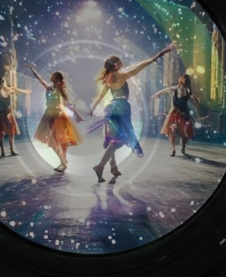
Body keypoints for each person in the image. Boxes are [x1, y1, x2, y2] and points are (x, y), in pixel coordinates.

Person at [89, 45, 173, 181]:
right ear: (116, 64)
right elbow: (140, 66)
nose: (123, 63)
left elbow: (101, 95)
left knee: (114, 139)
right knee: (119, 141)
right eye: (120, 61)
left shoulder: (108, 77)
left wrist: (93, 108)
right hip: (121, 108)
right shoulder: (121, 75)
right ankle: (100, 166)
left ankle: (112, 166)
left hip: (111, 108)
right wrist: (160, 54)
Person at [26, 64, 82, 172]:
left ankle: (63, 162)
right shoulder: (49, 88)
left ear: (59, 80)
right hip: (49, 115)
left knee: (61, 140)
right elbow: (40, 79)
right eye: (53, 78)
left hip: (59, 116)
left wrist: (78, 116)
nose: (53, 79)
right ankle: (63, 161)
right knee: (55, 141)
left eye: (55, 78)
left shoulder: (62, 91)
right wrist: (32, 69)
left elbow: (69, 104)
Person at [153, 73, 198, 156]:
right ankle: (173, 148)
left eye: (186, 79)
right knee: (172, 131)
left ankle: (183, 147)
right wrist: (157, 94)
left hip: (184, 113)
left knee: (184, 134)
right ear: (181, 79)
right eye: (183, 78)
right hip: (174, 113)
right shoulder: (175, 88)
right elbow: (165, 89)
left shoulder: (188, 90)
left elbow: (192, 96)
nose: (184, 80)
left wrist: (194, 98)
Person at [0, 76, 30, 157]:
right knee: (0, 133)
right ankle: (3, 151)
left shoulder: (7, 89)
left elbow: (16, 90)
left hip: (7, 113)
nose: (4, 84)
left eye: (4, 82)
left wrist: (25, 92)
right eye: (2, 82)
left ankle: (12, 150)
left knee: (11, 130)